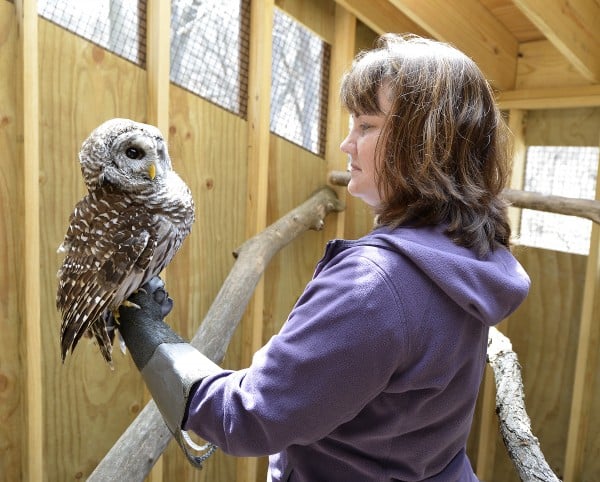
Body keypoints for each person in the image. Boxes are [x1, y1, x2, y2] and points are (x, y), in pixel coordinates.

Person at [118, 33, 530, 481]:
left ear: (427, 145)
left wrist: (145, 331)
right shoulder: (466, 253)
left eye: (367, 126)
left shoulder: (375, 286)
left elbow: (246, 418)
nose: (346, 144)